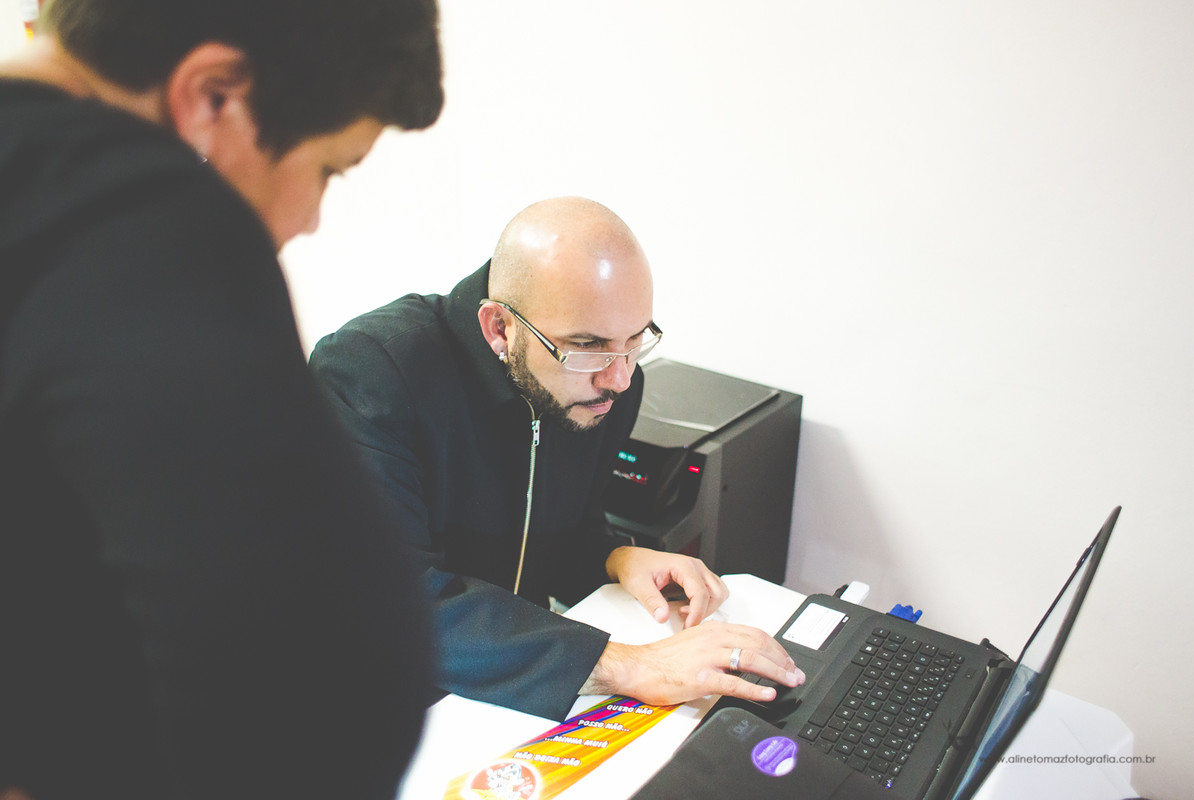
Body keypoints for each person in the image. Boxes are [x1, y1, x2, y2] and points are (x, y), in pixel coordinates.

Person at [0, 2, 442, 799]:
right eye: (328, 169)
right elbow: (318, 693)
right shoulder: (136, 219)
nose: (310, 219)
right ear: (214, 96)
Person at [309, 197, 805, 721]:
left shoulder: (608, 385)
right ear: (499, 328)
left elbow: (552, 538)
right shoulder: (372, 371)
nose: (619, 378)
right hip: (376, 702)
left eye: (635, 341)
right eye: (587, 346)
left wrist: (618, 558)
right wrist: (631, 665)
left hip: (511, 687)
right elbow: (391, 600)